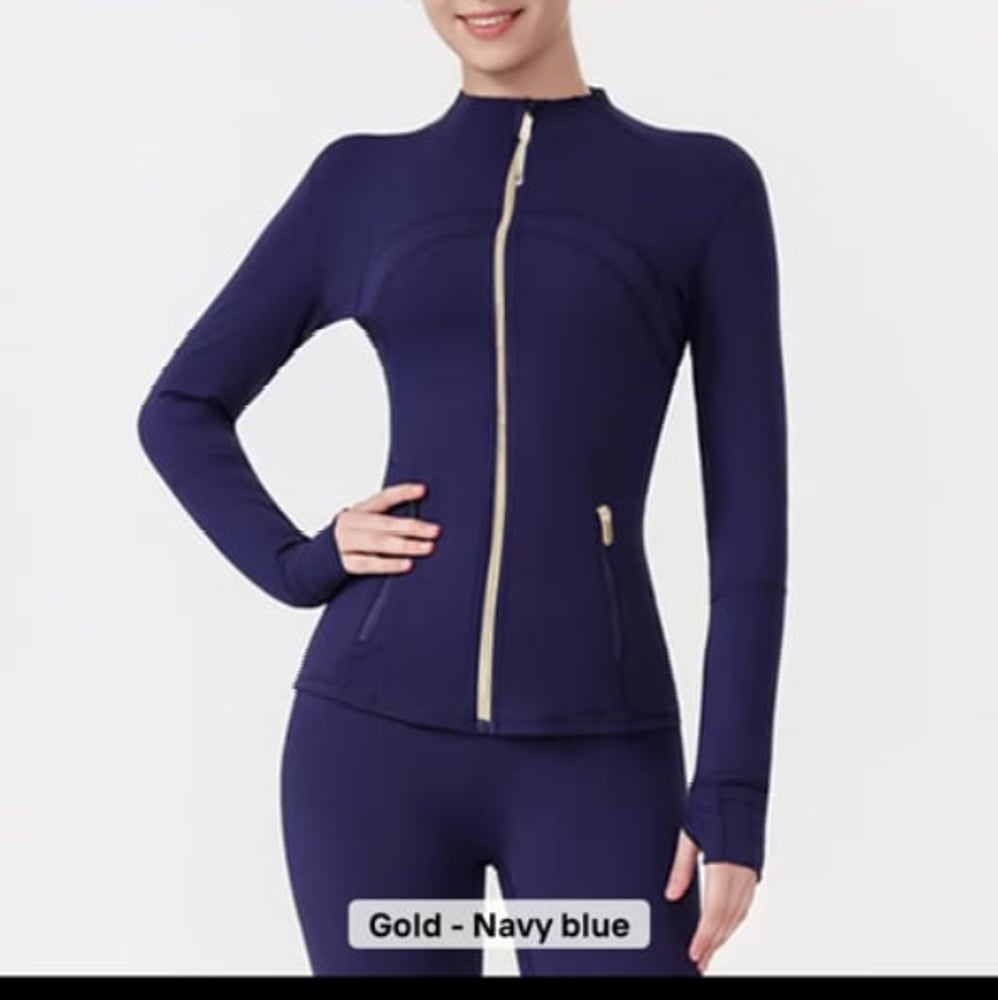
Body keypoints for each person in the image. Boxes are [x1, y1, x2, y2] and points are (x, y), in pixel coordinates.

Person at [136, 0, 788, 978]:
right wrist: (299, 560)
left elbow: (749, 523)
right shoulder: (361, 183)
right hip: (370, 760)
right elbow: (181, 409)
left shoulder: (700, 188)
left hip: (599, 764)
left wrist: (732, 789)